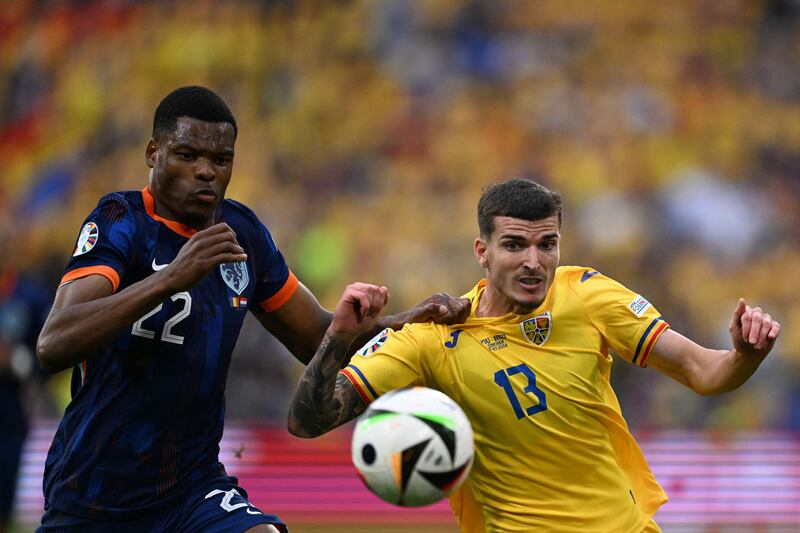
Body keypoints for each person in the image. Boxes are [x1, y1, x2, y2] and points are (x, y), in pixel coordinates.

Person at [34, 86, 466, 533]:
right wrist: (170, 278)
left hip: (191, 491)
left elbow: (313, 339)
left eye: (221, 161)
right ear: (152, 153)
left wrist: (398, 323)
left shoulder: (242, 233)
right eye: (187, 155)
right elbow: (54, 344)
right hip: (93, 493)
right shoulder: (119, 220)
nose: (205, 172)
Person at [287, 178, 782, 533]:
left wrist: (744, 355)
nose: (534, 261)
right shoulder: (430, 339)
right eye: (514, 245)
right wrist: (338, 336)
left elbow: (702, 370)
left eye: (548, 244)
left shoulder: (587, 294)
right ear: (482, 251)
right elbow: (309, 421)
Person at [0, 221, 52, 533]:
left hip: (10, 406)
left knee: (4, 485)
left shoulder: (30, 296)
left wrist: (18, 364)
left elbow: (48, 350)